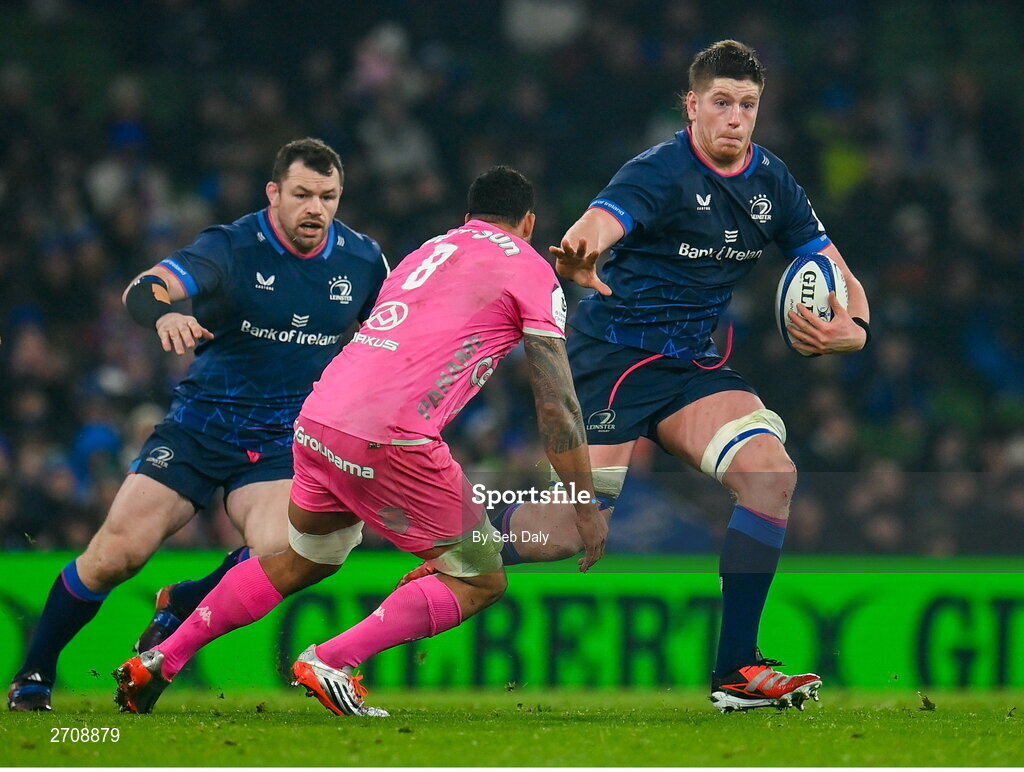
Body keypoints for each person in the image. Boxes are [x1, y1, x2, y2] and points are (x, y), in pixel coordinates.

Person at [112, 165, 606, 716]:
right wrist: (584, 499)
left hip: (319, 419)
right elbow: (556, 401)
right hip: (392, 436)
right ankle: (332, 660)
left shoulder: (427, 251)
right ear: (530, 223)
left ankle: (159, 660)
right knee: (483, 578)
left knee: (306, 556)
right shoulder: (533, 269)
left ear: (466, 219)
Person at [492, 40, 871, 712]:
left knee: (771, 475)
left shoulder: (772, 183)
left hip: (690, 366)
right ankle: (448, 537)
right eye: (721, 102)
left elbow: (838, 271)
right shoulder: (661, 171)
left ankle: (736, 671)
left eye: (747, 105)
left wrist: (855, 331)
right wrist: (580, 255)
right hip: (610, 363)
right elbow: (596, 225)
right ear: (693, 106)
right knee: (563, 532)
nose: (735, 116)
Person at [7, 138, 389, 712]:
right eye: (303, 194)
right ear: (275, 192)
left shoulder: (362, 261)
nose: (316, 208)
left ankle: (184, 601)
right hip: (201, 428)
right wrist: (165, 314)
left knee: (288, 555)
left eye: (328, 197)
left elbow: (391, 335)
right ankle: (34, 673)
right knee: (117, 556)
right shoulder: (232, 247)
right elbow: (145, 288)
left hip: (285, 440)